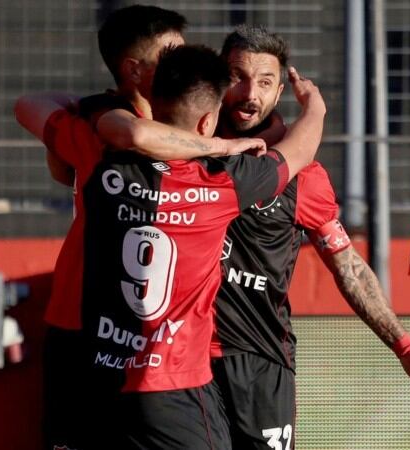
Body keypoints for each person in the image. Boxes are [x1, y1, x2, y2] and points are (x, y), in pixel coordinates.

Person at [15, 6, 266, 449]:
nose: (180, 60)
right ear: (133, 69)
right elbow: (40, 112)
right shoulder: (103, 130)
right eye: (170, 52)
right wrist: (220, 146)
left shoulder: (108, 119)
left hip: (147, 331)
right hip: (86, 323)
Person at [208, 25, 410, 450]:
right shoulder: (185, 153)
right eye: (236, 76)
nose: (250, 93)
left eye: (265, 82)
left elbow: (349, 266)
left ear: (281, 89)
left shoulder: (305, 177)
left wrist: (405, 345)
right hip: (185, 360)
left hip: (262, 362)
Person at [78, 44, 324, 449]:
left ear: (151, 103)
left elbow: (35, 107)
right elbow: (299, 151)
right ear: (209, 121)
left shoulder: (102, 159)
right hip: (178, 389)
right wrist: (315, 107)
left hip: (100, 381)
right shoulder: (224, 182)